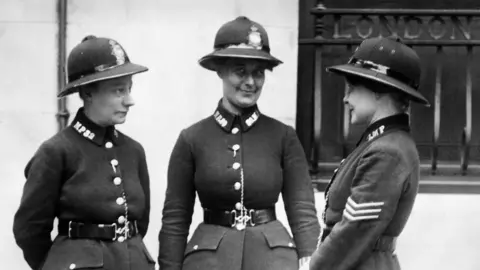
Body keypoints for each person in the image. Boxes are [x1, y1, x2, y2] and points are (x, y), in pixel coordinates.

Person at [158, 16, 320, 270]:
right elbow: (176, 218)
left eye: (258, 73)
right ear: (220, 70)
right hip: (208, 261)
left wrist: (310, 259)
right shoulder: (192, 139)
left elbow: (302, 208)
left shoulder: (283, 136)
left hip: (274, 260)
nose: (250, 82)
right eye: (240, 72)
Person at [13, 35, 156, 270]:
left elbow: (141, 223)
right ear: (88, 93)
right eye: (119, 91)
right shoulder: (57, 152)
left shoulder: (133, 151)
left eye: (129, 89)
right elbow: (29, 229)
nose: (129, 100)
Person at [306, 37, 430, 270]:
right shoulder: (382, 142)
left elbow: (355, 228)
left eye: (352, 89)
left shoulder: (387, 151)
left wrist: (313, 267)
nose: (345, 99)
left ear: (378, 89)